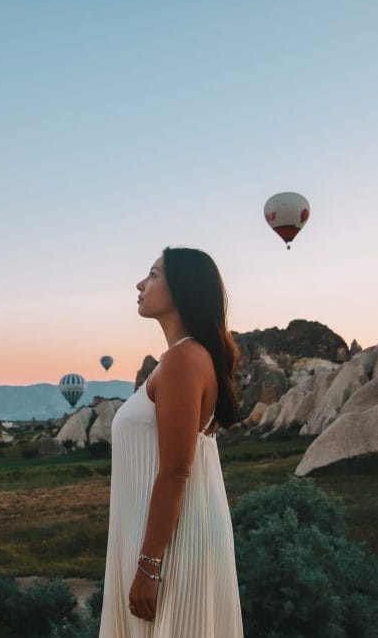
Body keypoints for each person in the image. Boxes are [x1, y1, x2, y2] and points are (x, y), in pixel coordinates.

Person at [99, 247, 244, 637]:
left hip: (170, 547)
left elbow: (177, 469)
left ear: (183, 289)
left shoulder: (184, 359)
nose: (140, 284)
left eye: (153, 274)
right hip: (165, 536)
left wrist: (149, 566)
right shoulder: (184, 358)